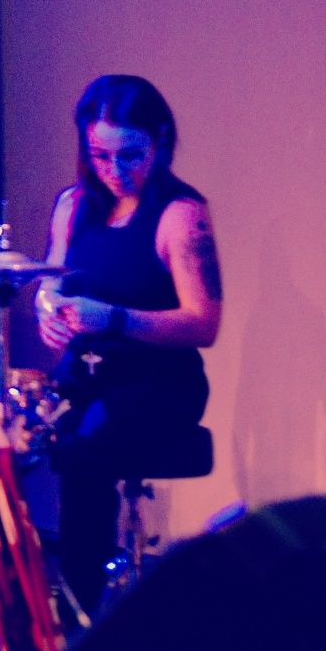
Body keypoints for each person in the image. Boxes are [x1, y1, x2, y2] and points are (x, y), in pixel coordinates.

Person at [34, 75, 222, 615]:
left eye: (130, 156)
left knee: (84, 451)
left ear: (160, 141)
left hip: (158, 384)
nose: (115, 171)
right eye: (100, 156)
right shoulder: (73, 205)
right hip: (84, 377)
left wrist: (114, 319)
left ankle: (80, 619)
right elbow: (51, 281)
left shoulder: (181, 215)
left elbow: (203, 323)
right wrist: (46, 309)